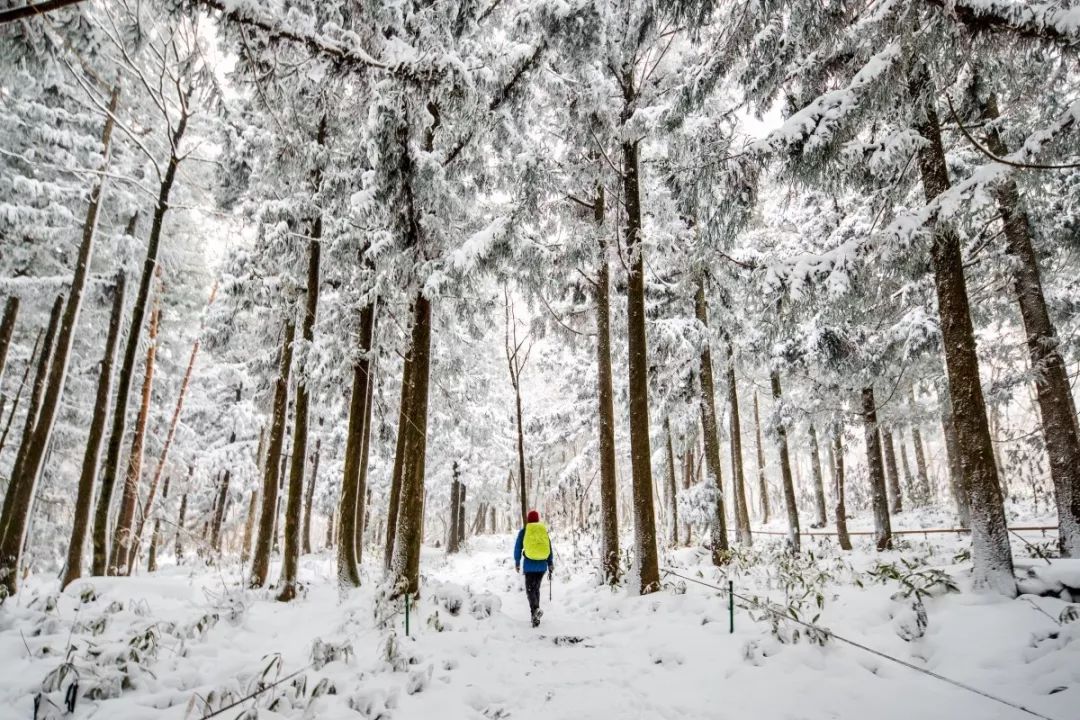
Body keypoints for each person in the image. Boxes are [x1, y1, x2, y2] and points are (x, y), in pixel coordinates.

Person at [514, 509, 554, 627]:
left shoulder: (524, 531)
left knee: (530, 590)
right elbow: (549, 548)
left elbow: (518, 548)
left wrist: (517, 561)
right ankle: (535, 617)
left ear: (528, 520)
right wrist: (550, 563)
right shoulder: (543, 531)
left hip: (529, 566)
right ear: (537, 519)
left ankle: (535, 610)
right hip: (542, 566)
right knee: (536, 589)